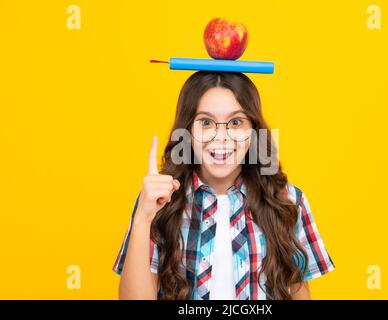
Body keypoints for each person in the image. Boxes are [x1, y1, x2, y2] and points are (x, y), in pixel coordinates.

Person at [113, 71, 335, 300]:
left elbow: (298, 293)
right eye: (206, 122)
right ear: (188, 130)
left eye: (236, 122)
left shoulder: (287, 200)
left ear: (253, 131)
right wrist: (143, 218)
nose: (222, 136)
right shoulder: (158, 201)